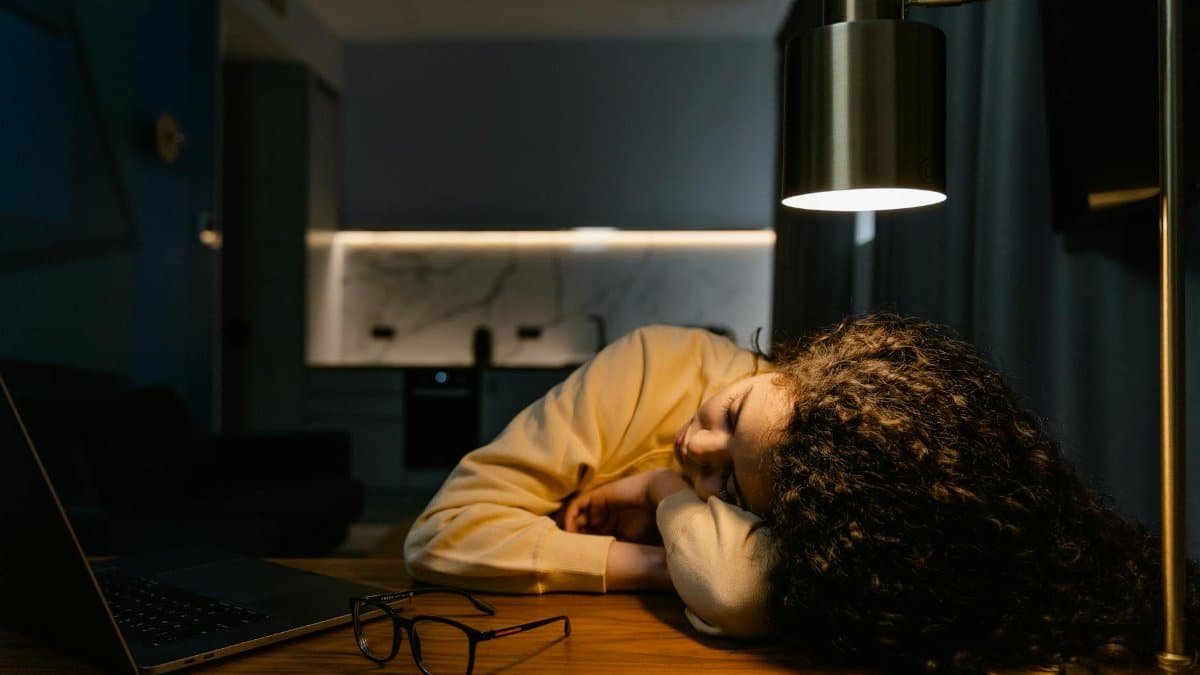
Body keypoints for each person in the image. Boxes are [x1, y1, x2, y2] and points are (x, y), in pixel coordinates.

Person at [405, 312, 1200, 670]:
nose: (695, 445)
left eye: (722, 480)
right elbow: (439, 537)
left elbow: (734, 589)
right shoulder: (650, 366)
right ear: (787, 367)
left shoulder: (821, 509)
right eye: (730, 413)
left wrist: (658, 494)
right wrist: (651, 561)